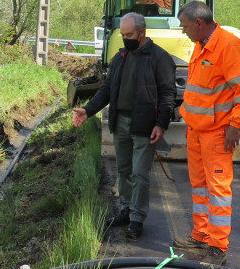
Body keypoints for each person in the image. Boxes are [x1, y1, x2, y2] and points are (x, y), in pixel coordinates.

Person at [72, 13, 176, 239]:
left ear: (142, 33)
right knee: (124, 170)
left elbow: (168, 94)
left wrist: (161, 124)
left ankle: (137, 218)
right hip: (120, 123)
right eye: (122, 35)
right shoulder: (120, 58)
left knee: (140, 173)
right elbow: (107, 90)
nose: (125, 39)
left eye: (129, 35)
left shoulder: (159, 58)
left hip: (145, 125)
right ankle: (126, 210)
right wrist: (88, 110)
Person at [173, 0, 240, 265]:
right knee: (199, 186)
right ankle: (200, 235)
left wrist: (235, 126)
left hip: (217, 132)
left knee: (218, 189)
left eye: (185, 26)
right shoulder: (200, 45)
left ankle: (218, 247)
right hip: (196, 130)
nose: (182, 30)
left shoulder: (228, 46)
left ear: (199, 23)